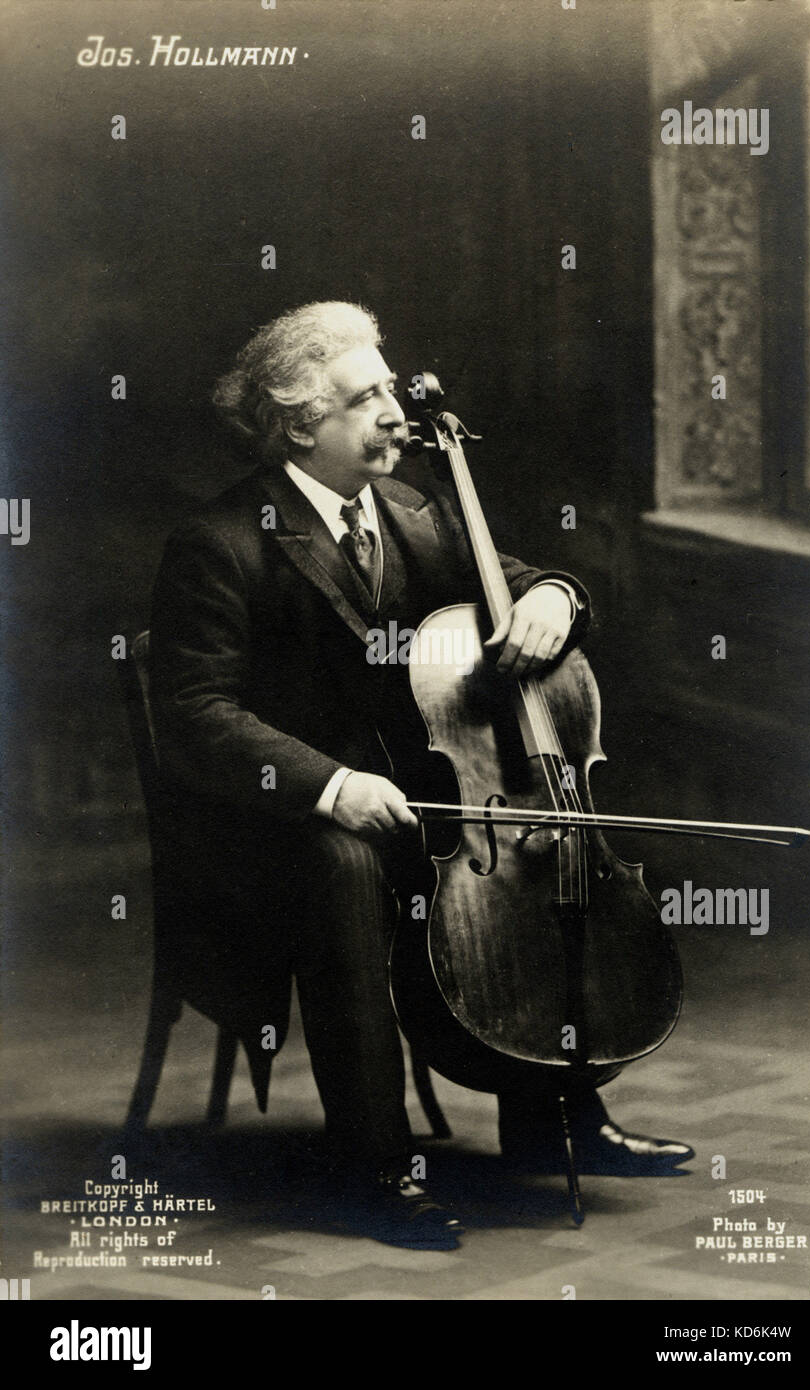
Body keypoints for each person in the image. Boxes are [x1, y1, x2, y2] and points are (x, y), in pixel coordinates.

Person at [149, 301, 693, 1249]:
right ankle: (374, 1168)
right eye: (365, 399)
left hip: (429, 800)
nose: (395, 412)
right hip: (279, 827)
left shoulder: (409, 510)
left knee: (539, 853)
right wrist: (330, 785)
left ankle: (556, 1118)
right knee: (345, 865)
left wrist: (554, 602)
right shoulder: (221, 539)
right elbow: (196, 716)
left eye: (389, 389)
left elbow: (521, 578)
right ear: (301, 422)